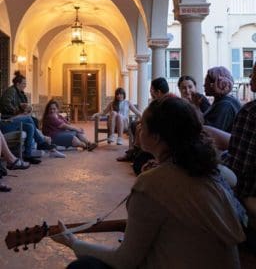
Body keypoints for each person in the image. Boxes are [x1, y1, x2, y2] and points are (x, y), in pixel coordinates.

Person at [52, 97, 245, 269]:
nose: (138, 128)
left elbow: (124, 261)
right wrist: (163, 166)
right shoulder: (210, 170)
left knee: (83, 267)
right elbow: (231, 178)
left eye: (143, 125)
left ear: (157, 137)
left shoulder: (150, 185)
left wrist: (74, 243)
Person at [0, 71, 65, 162]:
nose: (25, 85)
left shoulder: (20, 93)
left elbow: (23, 106)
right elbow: (5, 105)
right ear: (18, 83)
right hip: (7, 120)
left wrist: (27, 108)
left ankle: (28, 155)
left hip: (15, 120)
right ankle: (41, 142)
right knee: (28, 118)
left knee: (30, 125)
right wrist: (19, 110)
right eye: (24, 83)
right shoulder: (11, 91)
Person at [223, 62, 256, 229]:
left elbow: (239, 167)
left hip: (248, 193)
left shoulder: (250, 112)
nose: (250, 76)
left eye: (254, 71)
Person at [203, 66, 241, 132]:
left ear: (216, 84)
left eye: (206, 82)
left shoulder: (225, 105)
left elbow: (210, 133)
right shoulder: (224, 100)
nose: (204, 85)